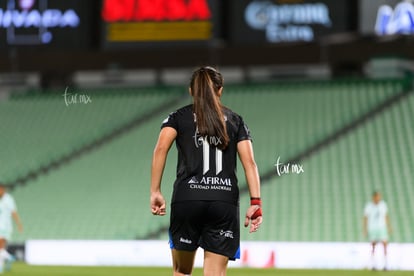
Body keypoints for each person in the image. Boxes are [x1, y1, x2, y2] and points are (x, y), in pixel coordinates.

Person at [150, 66, 262, 276]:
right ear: (220, 90)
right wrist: (256, 203)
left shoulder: (177, 117)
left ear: (191, 91)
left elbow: (161, 149)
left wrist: (155, 191)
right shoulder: (236, 121)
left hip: (187, 199)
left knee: (182, 272)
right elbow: (250, 164)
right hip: (223, 202)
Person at [363, 191, 392, 271]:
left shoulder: (383, 205)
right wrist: (365, 229)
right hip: (372, 228)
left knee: (385, 245)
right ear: (373, 197)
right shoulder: (369, 206)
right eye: (376, 196)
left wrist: (389, 227)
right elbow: (365, 218)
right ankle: (373, 265)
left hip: (382, 228)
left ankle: (386, 265)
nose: (378, 198)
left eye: (379, 196)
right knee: (373, 246)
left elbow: (386, 216)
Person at [0, 183, 23, 272]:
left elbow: (13, 212)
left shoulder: (8, 199)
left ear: (3, 189)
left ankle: (8, 258)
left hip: (5, 227)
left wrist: (19, 224)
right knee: (1, 249)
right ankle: (7, 259)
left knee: (0, 247)